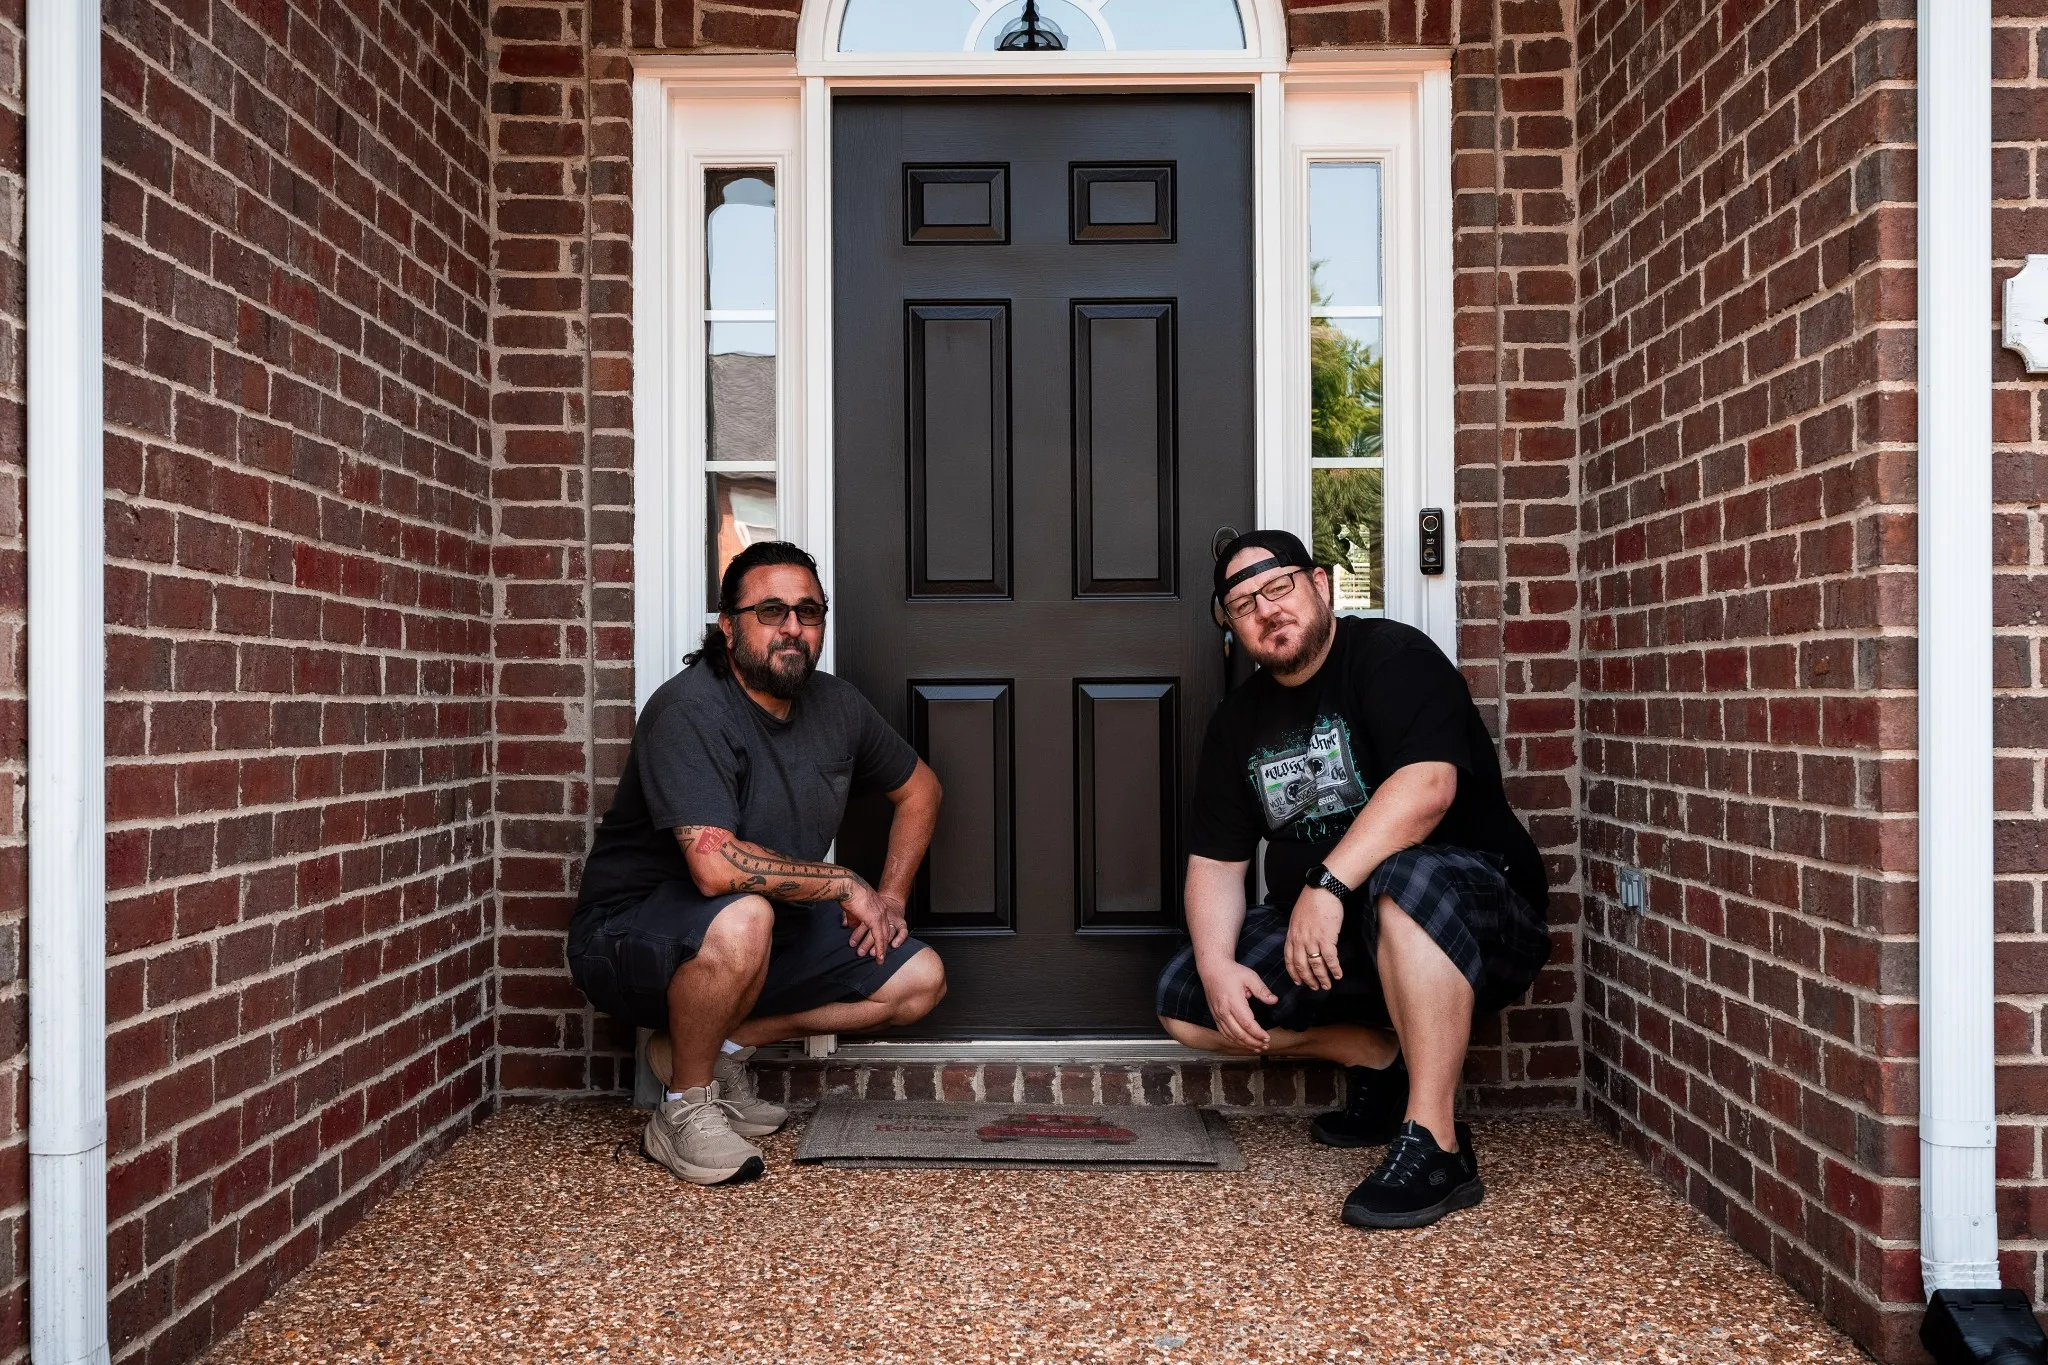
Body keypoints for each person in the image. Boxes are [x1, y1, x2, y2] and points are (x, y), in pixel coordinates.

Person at [1155, 530, 1550, 1229]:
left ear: (1321, 585)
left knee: (1405, 884)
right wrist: (1217, 965)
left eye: (1278, 587)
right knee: (1185, 999)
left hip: (1475, 917)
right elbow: (1216, 863)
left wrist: (1327, 885)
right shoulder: (1237, 723)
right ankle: (1379, 1055)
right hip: (1343, 942)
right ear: (1234, 627)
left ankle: (1436, 1145)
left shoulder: (1392, 657)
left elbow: (1428, 786)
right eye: (1244, 604)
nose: (1266, 610)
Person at [567, 541, 947, 1187]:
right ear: (728, 625)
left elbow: (921, 790)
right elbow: (714, 868)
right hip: (631, 935)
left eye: (809, 611)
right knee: (743, 914)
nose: (793, 627)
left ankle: (721, 1046)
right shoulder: (690, 709)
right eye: (771, 611)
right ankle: (683, 1106)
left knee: (919, 980)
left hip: (764, 928)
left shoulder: (837, 705)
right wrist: (842, 881)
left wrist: (890, 898)